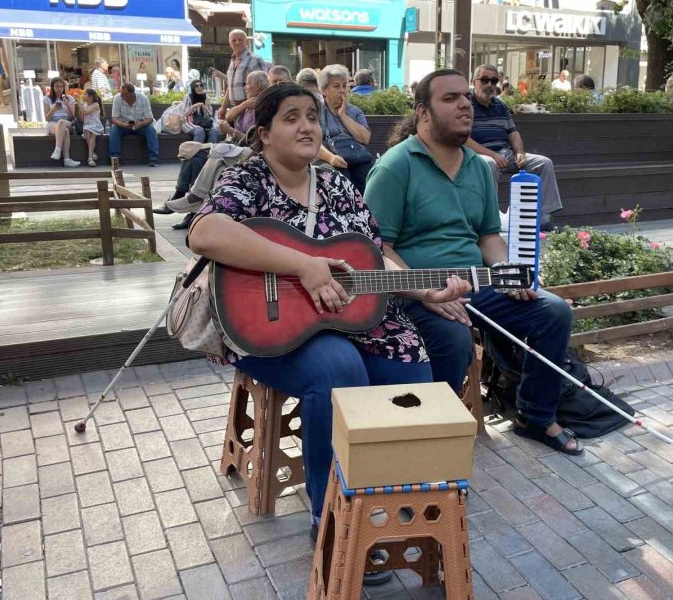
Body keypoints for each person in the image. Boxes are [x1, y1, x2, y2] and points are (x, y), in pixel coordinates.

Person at [187, 82, 468, 558]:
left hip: (346, 319)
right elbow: (204, 232)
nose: (306, 126)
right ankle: (331, 516)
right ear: (264, 133)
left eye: (312, 117)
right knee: (340, 372)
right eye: (291, 117)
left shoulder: (337, 184)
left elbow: (375, 253)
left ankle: (394, 497)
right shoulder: (246, 178)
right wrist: (303, 265)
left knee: (412, 368)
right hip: (268, 327)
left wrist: (421, 287)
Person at [364, 69, 582, 456]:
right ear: (423, 113)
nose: (465, 103)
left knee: (552, 312)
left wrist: (508, 273)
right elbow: (377, 249)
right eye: (450, 98)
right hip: (414, 292)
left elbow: (488, 236)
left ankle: (534, 415)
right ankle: (430, 441)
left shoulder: (479, 168)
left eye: (466, 96)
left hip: (476, 283)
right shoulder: (395, 167)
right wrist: (425, 292)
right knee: (452, 338)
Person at [467, 64, 563, 229]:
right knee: (489, 164)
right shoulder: (466, 104)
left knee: (544, 163)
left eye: (494, 80)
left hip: (506, 154)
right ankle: (491, 221)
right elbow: (464, 140)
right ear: (474, 81)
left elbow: (513, 133)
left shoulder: (500, 105)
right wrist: (493, 155)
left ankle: (544, 219)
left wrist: (520, 152)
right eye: (484, 80)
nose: (490, 85)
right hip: (479, 155)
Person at [319, 64, 373, 194]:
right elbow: (312, 141)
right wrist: (331, 157)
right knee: (338, 176)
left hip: (356, 158)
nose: (342, 91)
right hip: (328, 157)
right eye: (336, 86)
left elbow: (365, 139)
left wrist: (343, 115)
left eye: (344, 86)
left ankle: (366, 212)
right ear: (324, 90)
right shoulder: (316, 111)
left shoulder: (354, 111)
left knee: (369, 175)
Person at [109, 83, 160, 167]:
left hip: (140, 125)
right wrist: (123, 125)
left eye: (124, 94)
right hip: (123, 125)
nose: (121, 96)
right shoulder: (117, 98)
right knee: (114, 130)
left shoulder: (143, 98)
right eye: (121, 93)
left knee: (150, 130)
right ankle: (115, 159)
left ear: (131, 94)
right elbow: (114, 118)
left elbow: (150, 118)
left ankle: (153, 159)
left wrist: (141, 124)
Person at [219, 29, 266, 105]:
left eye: (240, 40)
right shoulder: (232, 61)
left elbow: (264, 87)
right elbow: (231, 86)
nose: (237, 42)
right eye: (234, 40)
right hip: (235, 107)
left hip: (251, 107)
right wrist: (223, 107)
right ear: (230, 43)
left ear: (246, 42)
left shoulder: (255, 59)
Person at [220, 70, 268, 138]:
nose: (245, 88)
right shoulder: (249, 102)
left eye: (247, 84)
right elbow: (228, 117)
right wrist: (244, 105)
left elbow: (253, 142)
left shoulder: (263, 107)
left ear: (257, 86)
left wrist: (230, 131)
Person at [44, 77, 79, 167]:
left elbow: (72, 117)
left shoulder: (69, 98)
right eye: (56, 86)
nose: (59, 89)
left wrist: (67, 104)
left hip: (67, 122)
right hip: (53, 124)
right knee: (65, 131)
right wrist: (54, 109)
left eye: (61, 86)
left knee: (62, 122)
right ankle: (67, 160)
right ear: (52, 87)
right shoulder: (47, 99)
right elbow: (47, 119)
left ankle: (57, 150)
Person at [183, 79, 219, 144]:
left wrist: (205, 108)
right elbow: (184, 114)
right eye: (196, 86)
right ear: (193, 88)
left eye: (201, 85)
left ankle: (210, 152)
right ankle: (195, 153)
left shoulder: (206, 97)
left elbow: (210, 115)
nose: (199, 87)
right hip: (190, 121)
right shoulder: (188, 97)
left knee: (214, 131)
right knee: (200, 131)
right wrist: (194, 106)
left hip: (204, 121)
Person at [77, 88, 104, 167]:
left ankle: (90, 157)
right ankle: (91, 155)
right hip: (87, 126)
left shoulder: (96, 105)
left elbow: (86, 113)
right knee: (87, 130)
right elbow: (82, 118)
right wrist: (80, 107)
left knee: (90, 132)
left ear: (91, 97)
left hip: (96, 125)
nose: (83, 95)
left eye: (85, 94)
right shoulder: (84, 105)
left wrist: (78, 103)